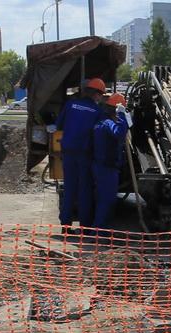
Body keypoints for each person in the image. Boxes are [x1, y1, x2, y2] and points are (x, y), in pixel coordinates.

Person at [55, 78, 107, 230]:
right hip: (85, 154)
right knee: (84, 189)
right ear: (96, 94)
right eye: (101, 95)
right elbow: (101, 133)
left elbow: (59, 125)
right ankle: (84, 226)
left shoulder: (70, 104)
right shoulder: (98, 111)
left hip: (68, 152)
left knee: (70, 187)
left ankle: (65, 225)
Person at [90, 93, 131, 230]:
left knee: (105, 199)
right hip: (106, 168)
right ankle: (99, 232)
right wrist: (122, 116)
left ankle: (102, 229)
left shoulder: (101, 121)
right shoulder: (108, 124)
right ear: (116, 110)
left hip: (103, 166)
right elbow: (119, 133)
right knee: (106, 200)